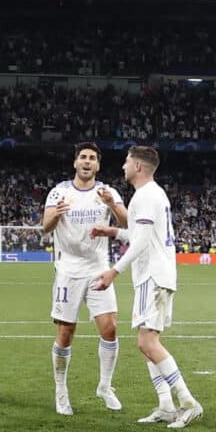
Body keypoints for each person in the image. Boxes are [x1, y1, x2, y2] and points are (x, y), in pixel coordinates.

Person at [90, 147, 202, 429]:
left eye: (127, 161)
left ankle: (188, 403)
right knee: (146, 344)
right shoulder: (151, 195)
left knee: (147, 342)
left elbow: (140, 243)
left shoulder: (147, 195)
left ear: (138, 166)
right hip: (153, 276)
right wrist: (112, 231)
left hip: (153, 277)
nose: (123, 166)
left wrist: (114, 271)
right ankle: (166, 405)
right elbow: (141, 235)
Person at [43, 142, 129, 415]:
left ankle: (105, 386)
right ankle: (60, 390)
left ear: (98, 165)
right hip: (68, 270)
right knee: (66, 333)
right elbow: (45, 228)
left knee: (110, 328)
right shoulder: (59, 192)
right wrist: (56, 214)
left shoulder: (107, 192)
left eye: (92, 158)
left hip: (97, 267)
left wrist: (111, 206)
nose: (87, 162)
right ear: (75, 163)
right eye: (83, 157)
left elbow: (127, 223)